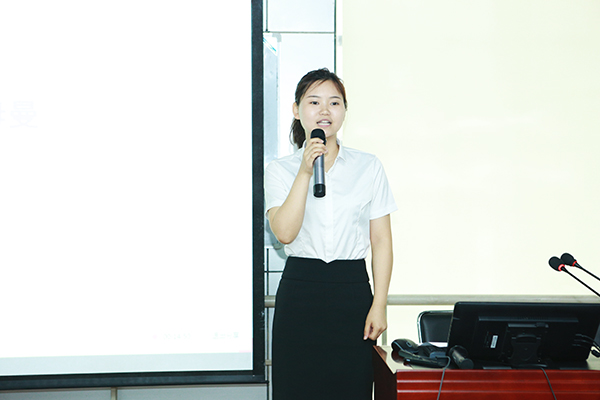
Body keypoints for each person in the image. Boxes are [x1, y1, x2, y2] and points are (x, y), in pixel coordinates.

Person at [264, 68, 397, 400]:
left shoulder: (368, 166)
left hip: (351, 292)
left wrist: (379, 303)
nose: (325, 111)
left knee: (351, 389)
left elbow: (381, 240)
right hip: (300, 293)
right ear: (296, 110)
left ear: (344, 111)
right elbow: (284, 233)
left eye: (334, 103)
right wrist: (305, 172)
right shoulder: (280, 169)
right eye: (314, 102)